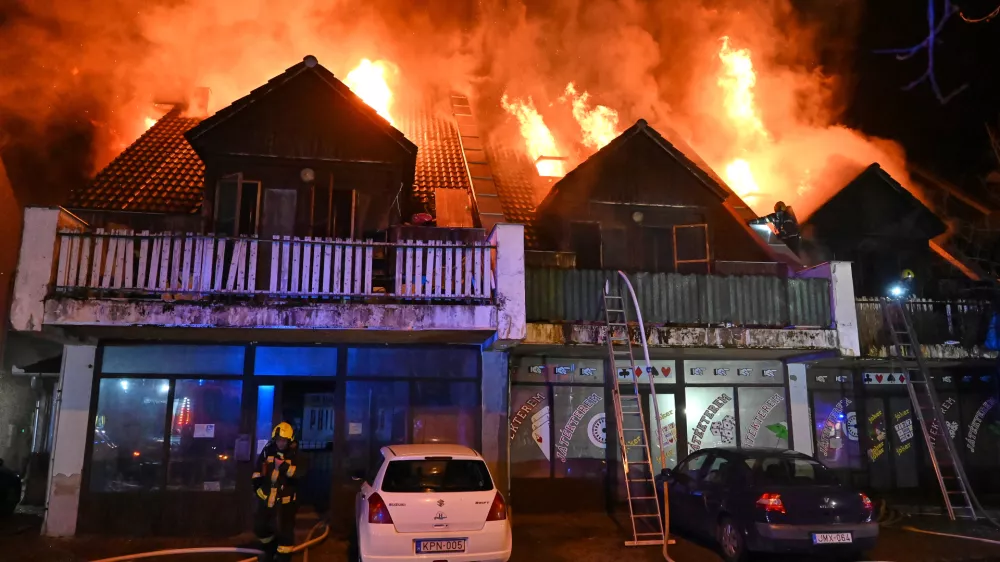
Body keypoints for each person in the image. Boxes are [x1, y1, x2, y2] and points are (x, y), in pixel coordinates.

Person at [252, 422, 302, 562]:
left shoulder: (295, 454)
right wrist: (257, 488)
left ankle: (283, 558)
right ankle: (270, 549)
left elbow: (300, 473)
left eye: (284, 440)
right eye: (279, 440)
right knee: (260, 527)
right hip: (267, 498)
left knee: (285, 534)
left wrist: (284, 466)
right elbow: (257, 471)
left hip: (286, 501)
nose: (281, 443)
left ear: (290, 441)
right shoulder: (268, 450)